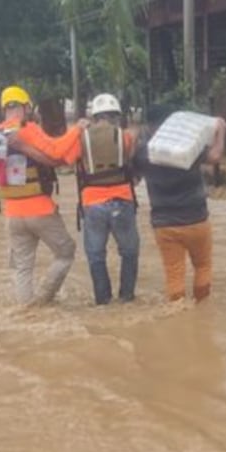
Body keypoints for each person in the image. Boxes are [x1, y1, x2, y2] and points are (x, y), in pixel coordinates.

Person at [0, 85, 87, 306]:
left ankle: (26, 309)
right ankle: (43, 300)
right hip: (40, 210)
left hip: (11, 213)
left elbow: (56, 157)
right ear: (25, 107)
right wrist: (77, 130)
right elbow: (56, 151)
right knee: (65, 253)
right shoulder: (27, 129)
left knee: (22, 267)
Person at [132, 105, 226, 302]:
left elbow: (132, 177)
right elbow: (216, 157)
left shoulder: (143, 153)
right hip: (196, 219)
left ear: (148, 126)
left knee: (173, 273)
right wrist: (221, 132)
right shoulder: (188, 147)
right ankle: (202, 310)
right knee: (202, 266)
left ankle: (178, 312)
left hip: (164, 223)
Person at [76, 93, 140, 305]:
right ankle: (126, 297)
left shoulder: (81, 137)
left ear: (94, 116)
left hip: (92, 203)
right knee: (129, 252)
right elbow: (132, 163)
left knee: (96, 255)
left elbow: (69, 159)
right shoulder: (126, 137)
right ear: (116, 116)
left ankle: (103, 301)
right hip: (122, 199)